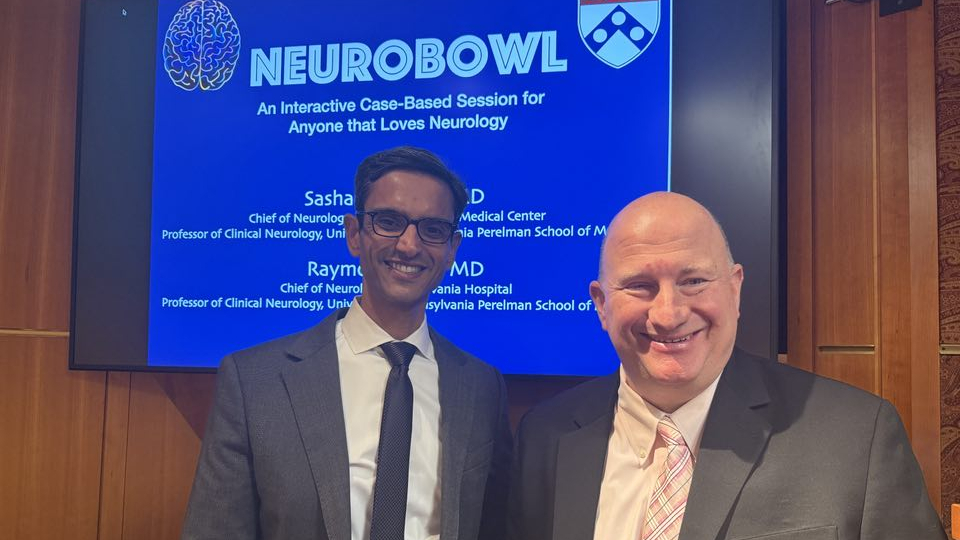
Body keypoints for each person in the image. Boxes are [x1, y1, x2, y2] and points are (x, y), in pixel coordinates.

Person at [507, 192, 945, 540]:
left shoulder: (855, 437)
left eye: (693, 281)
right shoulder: (546, 436)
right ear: (601, 305)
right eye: (639, 286)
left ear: (735, 289)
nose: (668, 313)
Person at [182, 146, 511, 540]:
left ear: (452, 250)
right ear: (354, 234)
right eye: (389, 221)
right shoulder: (255, 383)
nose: (409, 245)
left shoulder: (481, 387)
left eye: (433, 230)